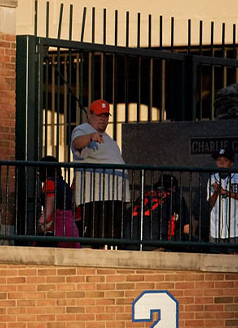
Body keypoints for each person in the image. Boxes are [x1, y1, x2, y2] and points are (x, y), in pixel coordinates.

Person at [69, 99, 128, 243]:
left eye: (106, 116)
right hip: (96, 196)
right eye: (99, 115)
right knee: (94, 236)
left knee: (111, 237)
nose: (103, 119)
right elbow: (76, 143)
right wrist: (90, 137)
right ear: (89, 114)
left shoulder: (109, 138)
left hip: (113, 195)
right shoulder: (83, 129)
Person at [128, 173, 193, 246]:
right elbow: (186, 227)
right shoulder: (176, 196)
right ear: (174, 187)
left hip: (132, 242)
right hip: (158, 242)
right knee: (196, 241)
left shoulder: (144, 195)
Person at [207, 147, 238, 250]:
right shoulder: (212, 178)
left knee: (235, 257)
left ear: (231, 163)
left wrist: (225, 192)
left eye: (225, 160)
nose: (222, 163)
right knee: (216, 257)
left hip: (235, 224)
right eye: (219, 160)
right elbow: (211, 204)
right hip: (216, 225)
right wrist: (217, 191)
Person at [37, 155, 79, 248]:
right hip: (70, 226)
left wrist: (40, 223)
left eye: (40, 170)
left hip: (58, 227)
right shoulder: (65, 185)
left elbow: (49, 207)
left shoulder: (49, 183)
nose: (39, 173)